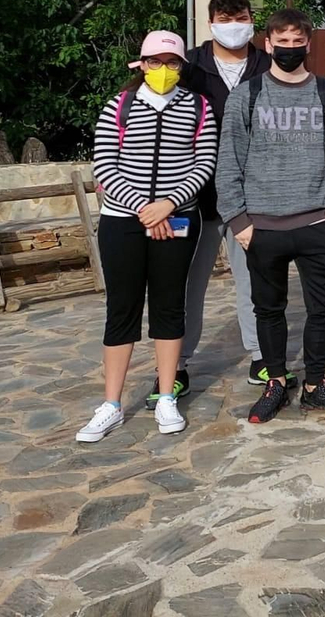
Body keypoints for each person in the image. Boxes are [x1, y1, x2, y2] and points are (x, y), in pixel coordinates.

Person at [217, 8, 325, 424]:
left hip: (317, 223)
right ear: (268, 45)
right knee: (268, 309)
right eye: (282, 43)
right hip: (262, 225)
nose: (290, 50)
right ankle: (276, 382)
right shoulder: (246, 95)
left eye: (298, 43)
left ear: (308, 46)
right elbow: (229, 161)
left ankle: (316, 385)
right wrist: (239, 222)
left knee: (324, 308)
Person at [79, 30, 217, 443]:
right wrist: (144, 208)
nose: (163, 70)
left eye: (172, 62)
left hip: (176, 220)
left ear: (182, 66)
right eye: (154, 62)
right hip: (123, 220)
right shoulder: (118, 107)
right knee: (121, 308)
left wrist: (168, 204)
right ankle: (111, 403)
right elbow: (104, 165)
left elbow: (204, 162)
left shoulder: (199, 108)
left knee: (169, 306)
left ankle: (166, 395)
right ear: (141, 64)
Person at [160, 0, 273, 409]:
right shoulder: (188, 66)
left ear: (251, 19)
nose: (233, 26)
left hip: (252, 194)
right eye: (224, 19)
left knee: (256, 277)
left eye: (239, 16)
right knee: (189, 281)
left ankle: (262, 356)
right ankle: (177, 365)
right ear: (210, 22)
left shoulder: (266, 64)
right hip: (196, 194)